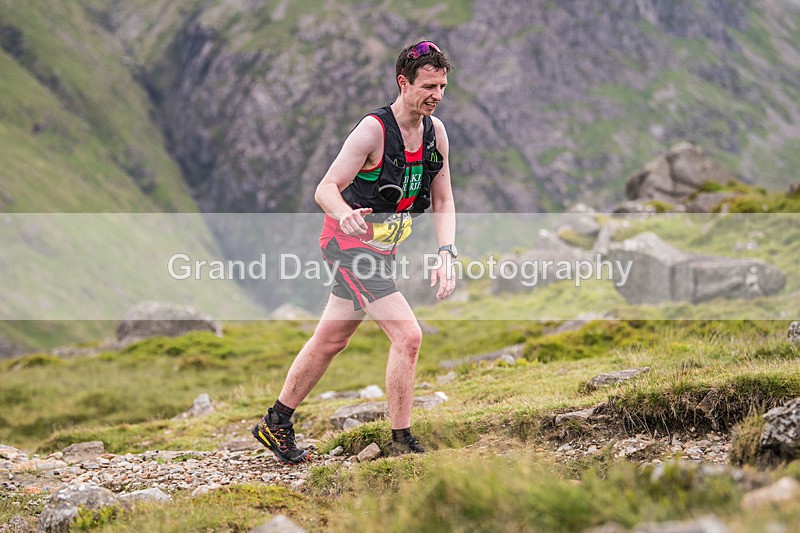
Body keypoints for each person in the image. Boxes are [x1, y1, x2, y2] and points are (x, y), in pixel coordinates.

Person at [253, 40, 456, 463]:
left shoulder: (437, 134)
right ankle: (402, 441)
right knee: (409, 336)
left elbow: (443, 200)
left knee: (331, 340)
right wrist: (343, 212)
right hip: (348, 245)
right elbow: (325, 188)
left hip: (382, 248)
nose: (437, 95)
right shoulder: (373, 131)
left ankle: (276, 422)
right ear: (404, 82)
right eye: (429, 86)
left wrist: (446, 252)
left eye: (442, 86)